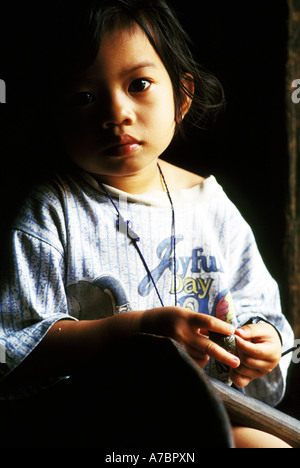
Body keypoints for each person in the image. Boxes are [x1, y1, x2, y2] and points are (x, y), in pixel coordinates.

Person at [0, 0, 294, 448]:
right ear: (55, 113)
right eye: (84, 96)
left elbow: (262, 308)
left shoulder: (208, 205)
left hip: (210, 412)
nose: (116, 112)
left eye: (138, 84)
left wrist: (263, 342)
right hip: (97, 425)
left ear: (182, 96)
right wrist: (137, 334)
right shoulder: (51, 211)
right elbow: (15, 342)